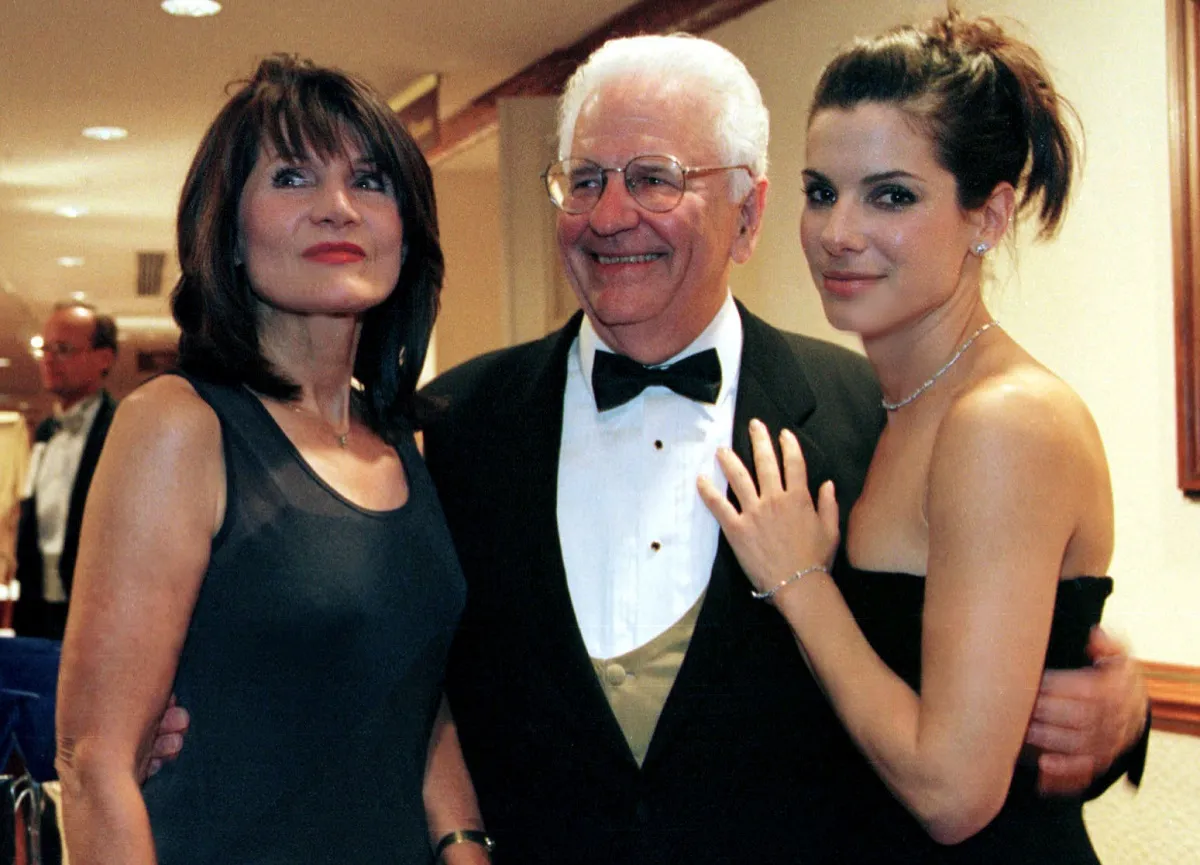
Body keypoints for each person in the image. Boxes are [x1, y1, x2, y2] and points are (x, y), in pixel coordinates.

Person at [149, 32, 1148, 865]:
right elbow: (376, 647)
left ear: (747, 213)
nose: (612, 213)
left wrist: (1123, 708)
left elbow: (993, 652)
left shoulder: (868, 418)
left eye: (655, 178)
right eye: (585, 179)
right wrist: (179, 713)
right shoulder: (450, 424)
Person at [698, 8, 1129, 862]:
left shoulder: (1004, 420)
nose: (838, 233)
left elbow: (953, 791)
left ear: (988, 216)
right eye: (821, 192)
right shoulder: (883, 404)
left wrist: (799, 580)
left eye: (891, 194)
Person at [55, 55, 471, 864]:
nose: (337, 209)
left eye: (371, 181)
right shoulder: (179, 426)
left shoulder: (406, 440)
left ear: (406, 230)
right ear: (230, 234)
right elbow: (93, 763)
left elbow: (412, 693)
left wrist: (464, 843)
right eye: (292, 177)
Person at [12, 301, 118, 640]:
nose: (48, 359)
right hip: (36, 609)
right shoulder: (44, 432)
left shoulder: (121, 431)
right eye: (46, 348)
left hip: (97, 610)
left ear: (104, 358)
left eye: (63, 349)